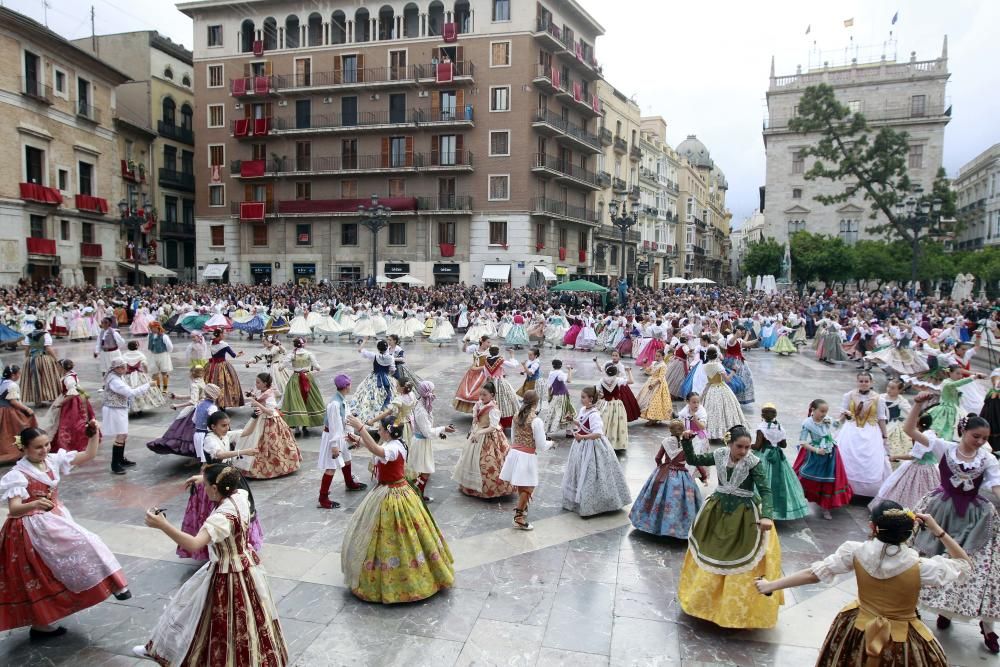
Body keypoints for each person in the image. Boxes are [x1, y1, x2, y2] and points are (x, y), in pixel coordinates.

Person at [754, 502, 971, 667]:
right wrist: (937, 530)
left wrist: (770, 585)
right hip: (903, 635)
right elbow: (964, 564)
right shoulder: (921, 567)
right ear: (908, 531)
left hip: (858, 626)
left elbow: (814, 574)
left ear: (873, 527)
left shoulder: (856, 551)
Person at [135, 464, 288, 665]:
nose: (204, 489)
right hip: (244, 565)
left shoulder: (221, 518)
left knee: (218, 621)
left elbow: (194, 543)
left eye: (206, 485)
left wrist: (163, 525)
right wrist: (204, 479)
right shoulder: (240, 496)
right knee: (247, 619)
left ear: (216, 489)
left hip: (227, 574)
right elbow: (235, 480)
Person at [0, 422, 131, 638]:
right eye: (38, 447)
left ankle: (113, 583)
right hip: (28, 527)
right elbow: (14, 509)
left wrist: (92, 437)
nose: (44, 450)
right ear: (24, 448)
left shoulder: (51, 460)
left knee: (86, 543)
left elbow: (88, 455)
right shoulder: (18, 474)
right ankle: (41, 623)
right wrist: (34, 504)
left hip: (54, 519)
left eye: (46, 445)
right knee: (39, 574)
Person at [903, 400, 1000, 652]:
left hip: (974, 517)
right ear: (963, 432)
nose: (980, 441)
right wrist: (917, 406)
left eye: (984, 438)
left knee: (977, 567)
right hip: (940, 510)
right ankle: (924, 608)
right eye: (976, 436)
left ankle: (987, 626)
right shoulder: (944, 448)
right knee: (927, 558)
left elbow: (997, 486)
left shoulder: (987, 460)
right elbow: (910, 431)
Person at [340, 415, 455, 603]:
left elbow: (378, 449)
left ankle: (402, 581)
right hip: (390, 490)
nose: (378, 431)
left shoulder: (393, 448)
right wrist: (359, 439)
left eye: (381, 429)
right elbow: (378, 449)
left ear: (387, 431)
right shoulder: (394, 443)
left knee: (396, 536)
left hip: (393, 494)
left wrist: (360, 428)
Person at [677, 425, 783, 629]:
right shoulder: (719, 455)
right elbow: (693, 461)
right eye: (739, 446)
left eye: (747, 447)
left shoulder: (753, 463)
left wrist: (767, 516)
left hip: (744, 516)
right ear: (729, 444)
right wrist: (687, 442)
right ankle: (704, 602)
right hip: (716, 511)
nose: (743, 451)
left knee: (741, 558)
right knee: (711, 551)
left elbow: (766, 491)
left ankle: (733, 610)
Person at [177, 410, 263, 562]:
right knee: (214, 512)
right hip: (214, 479)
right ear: (212, 427)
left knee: (242, 507)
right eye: (223, 425)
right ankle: (213, 545)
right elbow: (220, 455)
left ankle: (236, 540)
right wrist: (244, 452)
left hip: (227, 475)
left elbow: (246, 432)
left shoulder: (224, 435)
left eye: (228, 425)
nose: (227, 428)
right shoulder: (210, 439)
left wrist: (255, 416)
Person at [561, 386, 632, 516]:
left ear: (591, 399)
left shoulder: (595, 415)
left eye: (583, 397)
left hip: (592, 448)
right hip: (581, 446)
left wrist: (582, 437)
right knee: (579, 471)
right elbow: (583, 424)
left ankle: (594, 504)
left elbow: (598, 434)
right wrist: (573, 420)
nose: (581, 399)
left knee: (590, 473)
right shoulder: (584, 409)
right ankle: (579, 499)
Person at [629, 419, 704, 537]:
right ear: (683, 429)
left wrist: (660, 467)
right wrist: (703, 476)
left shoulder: (666, 442)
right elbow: (695, 461)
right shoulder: (687, 443)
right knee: (683, 502)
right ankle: (681, 528)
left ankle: (655, 524)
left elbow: (657, 458)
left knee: (658, 499)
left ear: (670, 430)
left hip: (664, 473)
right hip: (682, 476)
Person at [500, 390, 552, 530]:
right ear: (536, 403)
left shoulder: (516, 416)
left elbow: (513, 437)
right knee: (529, 487)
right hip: (527, 456)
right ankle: (519, 517)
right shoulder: (536, 420)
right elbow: (541, 445)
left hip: (515, 453)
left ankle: (523, 508)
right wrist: (551, 444)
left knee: (523, 485)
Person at [452, 382, 514, 499]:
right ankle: (471, 486)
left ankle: (492, 489)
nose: (481, 397)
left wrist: (479, 432)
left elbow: (493, 426)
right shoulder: (479, 404)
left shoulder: (493, 409)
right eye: (480, 394)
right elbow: (476, 417)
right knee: (471, 459)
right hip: (477, 434)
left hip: (489, 436)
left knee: (488, 463)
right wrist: (474, 425)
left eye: (484, 395)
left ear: (492, 395)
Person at [795, 399, 854, 519]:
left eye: (826, 411)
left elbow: (836, 424)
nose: (824, 414)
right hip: (816, 454)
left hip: (830, 454)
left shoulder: (826, 419)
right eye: (822, 411)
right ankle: (799, 499)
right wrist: (816, 450)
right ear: (813, 410)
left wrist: (843, 417)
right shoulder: (808, 423)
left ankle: (826, 507)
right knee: (807, 477)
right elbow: (802, 442)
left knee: (829, 481)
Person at [236, 373, 302, 479]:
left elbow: (270, 412)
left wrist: (257, 404)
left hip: (270, 421)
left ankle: (273, 468)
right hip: (260, 419)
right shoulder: (263, 391)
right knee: (255, 440)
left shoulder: (270, 395)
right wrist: (252, 396)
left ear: (265, 384)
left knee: (271, 444)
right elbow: (259, 399)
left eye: (258, 382)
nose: (256, 384)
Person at [317, 374, 368, 510]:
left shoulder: (342, 400)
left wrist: (350, 435)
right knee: (331, 466)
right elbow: (334, 426)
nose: (351, 386)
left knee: (347, 458)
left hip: (341, 435)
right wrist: (334, 445)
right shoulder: (334, 404)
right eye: (350, 384)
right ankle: (323, 498)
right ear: (346, 386)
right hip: (333, 437)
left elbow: (347, 419)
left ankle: (349, 483)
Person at [837, 371, 892, 497]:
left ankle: (867, 491)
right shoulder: (849, 395)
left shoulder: (879, 398)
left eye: (866, 381)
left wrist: (884, 436)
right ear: (857, 382)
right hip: (851, 430)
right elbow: (842, 414)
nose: (863, 384)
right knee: (847, 456)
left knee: (870, 460)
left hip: (870, 431)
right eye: (861, 381)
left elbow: (881, 418)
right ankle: (845, 487)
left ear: (871, 382)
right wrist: (836, 423)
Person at [869, 414, 939, 511]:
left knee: (909, 489)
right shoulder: (932, 433)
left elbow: (913, 456)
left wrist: (895, 456)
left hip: (918, 467)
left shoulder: (922, 437)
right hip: (930, 468)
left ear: (919, 423)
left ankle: (905, 511)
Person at [752, 403, 809, 521]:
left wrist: (748, 446)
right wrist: (775, 442)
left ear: (762, 415)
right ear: (775, 415)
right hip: (778, 456)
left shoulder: (761, 428)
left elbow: (757, 446)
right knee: (782, 480)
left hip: (764, 455)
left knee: (762, 480)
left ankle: (761, 510)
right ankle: (779, 510)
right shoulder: (779, 427)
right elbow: (783, 444)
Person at [101, 358, 152, 475]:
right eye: (123, 367)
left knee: (123, 434)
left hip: (119, 407)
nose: (126, 369)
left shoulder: (118, 376)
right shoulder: (114, 380)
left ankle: (120, 459)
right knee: (121, 434)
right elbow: (130, 393)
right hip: (114, 409)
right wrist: (147, 385)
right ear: (117, 368)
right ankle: (115, 464)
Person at [146, 366, 207, 457]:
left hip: (196, 410)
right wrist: (178, 396)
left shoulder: (194, 384)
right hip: (204, 408)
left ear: (192, 373)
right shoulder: (202, 381)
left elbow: (193, 401)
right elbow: (196, 396)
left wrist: (177, 405)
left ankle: (195, 453)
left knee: (186, 432)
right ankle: (200, 453)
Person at [47, 359, 98, 453]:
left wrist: (61, 403)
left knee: (71, 422)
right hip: (78, 398)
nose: (57, 368)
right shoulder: (71, 374)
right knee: (78, 420)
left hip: (72, 402)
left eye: (58, 367)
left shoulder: (68, 378)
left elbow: (73, 393)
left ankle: (73, 442)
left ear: (62, 368)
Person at [281, 338, 326, 438]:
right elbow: (317, 367)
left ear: (295, 345)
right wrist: (313, 368)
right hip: (307, 377)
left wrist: (288, 367)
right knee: (309, 399)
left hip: (295, 379)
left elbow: (282, 366)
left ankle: (297, 428)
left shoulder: (291, 355)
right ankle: (306, 423)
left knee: (296, 401)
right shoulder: (309, 354)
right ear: (303, 344)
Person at [700, 347, 745, 441]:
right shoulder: (718, 366)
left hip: (710, 388)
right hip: (720, 387)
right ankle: (725, 432)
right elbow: (727, 379)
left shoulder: (704, 366)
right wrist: (734, 371)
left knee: (711, 410)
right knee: (725, 410)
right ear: (716, 355)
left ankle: (711, 432)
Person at [350, 339, 397, 425]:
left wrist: (364, 340)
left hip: (374, 378)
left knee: (367, 394)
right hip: (386, 379)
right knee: (389, 395)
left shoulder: (374, 356)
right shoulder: (391, 357)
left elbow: (361, 351)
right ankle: (385, 413)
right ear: (386, 348)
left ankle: (371, 413)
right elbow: (393, 370)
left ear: (378, 348)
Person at [0, 366, 37, 465]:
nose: (19, 375)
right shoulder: (12, 385)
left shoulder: (2, 382)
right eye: (18, 374)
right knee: (16, 430)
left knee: (3, 433)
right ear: (13, 375)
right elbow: (13, 401)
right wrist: (27, 409)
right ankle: (17, 451)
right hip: (8, 411)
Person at [21, 321, 61, 406]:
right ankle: (51, 397)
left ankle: (37, 401)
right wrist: (55, 359)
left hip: (32, 359)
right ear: (43, 326)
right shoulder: (45, 335)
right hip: (43, 358)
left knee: (35, 379)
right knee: (48, 377)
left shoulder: (29, 335)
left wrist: (26, 358)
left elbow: (27, 348)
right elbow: (48, 348)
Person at [122, 341, 167, 413]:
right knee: (142, 389)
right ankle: (142, 405)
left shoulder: (125, 355)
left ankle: (131, 406)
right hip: (139, 374)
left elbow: (123, 365)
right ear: (137, 347)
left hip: (128, 375)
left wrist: (124, 372)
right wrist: (146, 372)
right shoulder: (140, 354)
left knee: (129, 389)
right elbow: (144, 364)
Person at [205, 329, 244, 408]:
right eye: (224, 333)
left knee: (211, 381)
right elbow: (234, 355)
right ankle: (223, 403)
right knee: (224, 383)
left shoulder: (211, 342)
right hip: (222, 366)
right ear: (220, 335)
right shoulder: (224, 345)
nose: (225, 335)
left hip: (212, 365)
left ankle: (210, 399)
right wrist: (240, 354)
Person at [453, 337, 490, 413]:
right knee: (470, 391)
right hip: (473, 373)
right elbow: (464, 350)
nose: (489, 344)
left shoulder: (489, 351)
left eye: (489, 342)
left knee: (481, 391)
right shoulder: (475, 348)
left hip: (484, 373)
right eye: (488, 342)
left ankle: (483, 410)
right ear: (482, 342)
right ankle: (474, 410)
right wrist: (466, 342)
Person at [637, 348, 673, 425]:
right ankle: (651, 417)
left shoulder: (663, 366)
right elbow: (648, 371)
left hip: (658, 384)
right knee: (646, 399)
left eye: (659, 356)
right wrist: (645, 364)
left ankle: (653, 419)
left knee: (655, 401)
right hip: (651, 381)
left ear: (663, 357)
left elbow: (661, 377)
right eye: (656, 356)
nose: (657, 357)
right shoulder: (654, 363)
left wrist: (653, 384)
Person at [542, 359, 575, 436]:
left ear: (553, 365)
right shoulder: (560, 374)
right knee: (565, 411)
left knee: (552, 412)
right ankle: (566, 431)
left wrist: (549, 396)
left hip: (555, 395)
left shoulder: (551, 373)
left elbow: (549, 386)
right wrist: (570, 370)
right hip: (562, 396)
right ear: (561, 366)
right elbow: (569, 380)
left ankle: (545, 430)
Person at [145, 321, 174, 393]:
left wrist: (167, 352)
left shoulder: (164, 336)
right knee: (154, 372)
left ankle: (165, 388)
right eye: (150, 328)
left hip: (163, 354)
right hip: (153, 355)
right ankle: (157, 388)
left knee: (164, 372)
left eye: (152, 328)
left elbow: (170, 346)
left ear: (157, 327)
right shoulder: (150, 335)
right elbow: (148, 345)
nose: (151, 329)